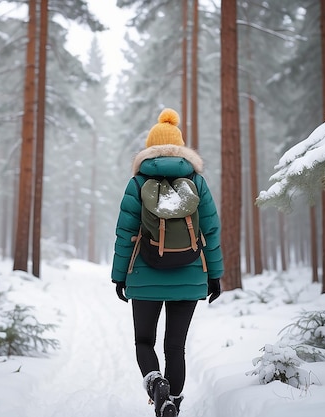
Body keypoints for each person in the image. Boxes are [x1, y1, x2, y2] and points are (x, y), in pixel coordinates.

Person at [111, 108, 224, 417]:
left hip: (144, 275)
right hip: (189, 275)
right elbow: (210, 230)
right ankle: (171, 402)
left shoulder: (137, 184)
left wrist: (119, 276)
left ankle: (155, 384)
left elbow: (124, 233)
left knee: (144, 341)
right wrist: (214, 274)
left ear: (149, 149)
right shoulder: (197, 182)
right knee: (175, 346)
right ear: (181, 147)